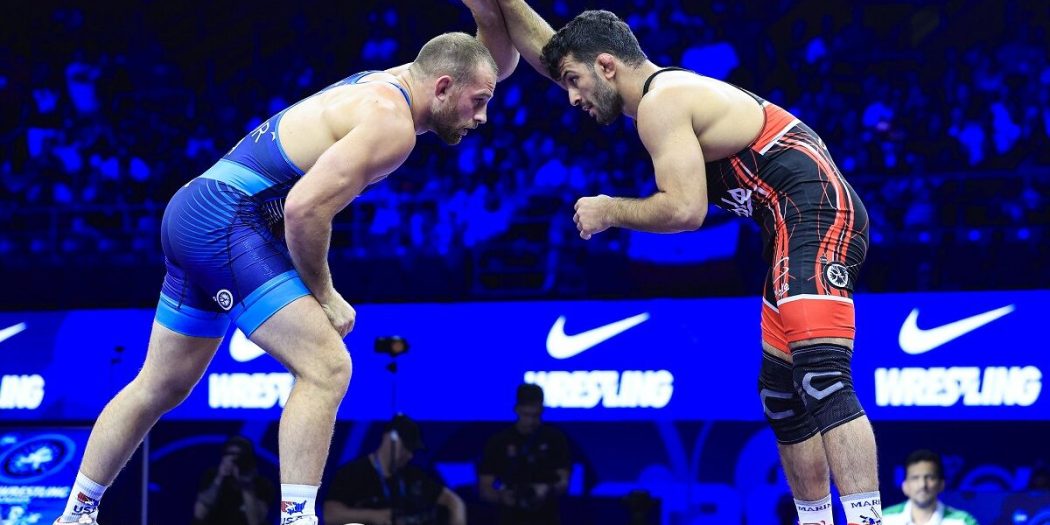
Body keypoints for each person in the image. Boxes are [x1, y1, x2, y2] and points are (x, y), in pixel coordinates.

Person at [51, 8, 519, 524]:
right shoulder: (392, 125)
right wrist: (326, 295)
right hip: (225, 221)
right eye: (479, 102)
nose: (482, 117)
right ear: (444, 87)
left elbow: (492, 62)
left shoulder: (397, 81)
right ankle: (298, 518)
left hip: (194, 208)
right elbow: (303, 210)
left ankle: (75, 515)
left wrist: (494, 11)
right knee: (327, 368)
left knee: (160, 384)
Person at [463, 1, 880, 524]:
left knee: (822, 378)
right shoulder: (650, 95)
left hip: (817, 214)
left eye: (574, 82)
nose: (570, 97)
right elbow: (556, 56)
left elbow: (685, 210)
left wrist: (610, 210)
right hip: (788, 227)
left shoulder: (663, 102)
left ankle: (867, 519)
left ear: (607, 66)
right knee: (781, 395)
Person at [323, 415, 467, 525]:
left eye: (412, 450)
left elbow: (453, 501)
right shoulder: (352, 473)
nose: (409, 455)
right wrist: (372, 516)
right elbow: (330, 515)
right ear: (390, 439)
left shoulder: (413, 476)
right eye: (406, 447)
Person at [477, 383, 571, 525]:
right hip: (509, 518)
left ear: (542, 410)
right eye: (526, 415)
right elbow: (485, 488)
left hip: (546, 517)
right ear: (516, 409)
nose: (530, 421)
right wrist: (503, 496)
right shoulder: (499, 441)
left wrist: (547, 489)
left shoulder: (555, 439)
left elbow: (564, 482)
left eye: (536, 415)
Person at [193, 436, 276, 525]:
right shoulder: (211, 477)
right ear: (223, 457)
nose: (235, 460)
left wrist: (245, 485)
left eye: (240, 456)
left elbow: (255, 522)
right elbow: (199, 514)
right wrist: (219, 478)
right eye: (231, 454)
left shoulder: (262, 484)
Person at [883, 450, 978, 525]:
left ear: (941, 484)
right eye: (915, 478)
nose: (922, 485)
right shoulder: (883, 519)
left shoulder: (963, 522)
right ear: (904, 486)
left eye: (930, 477)